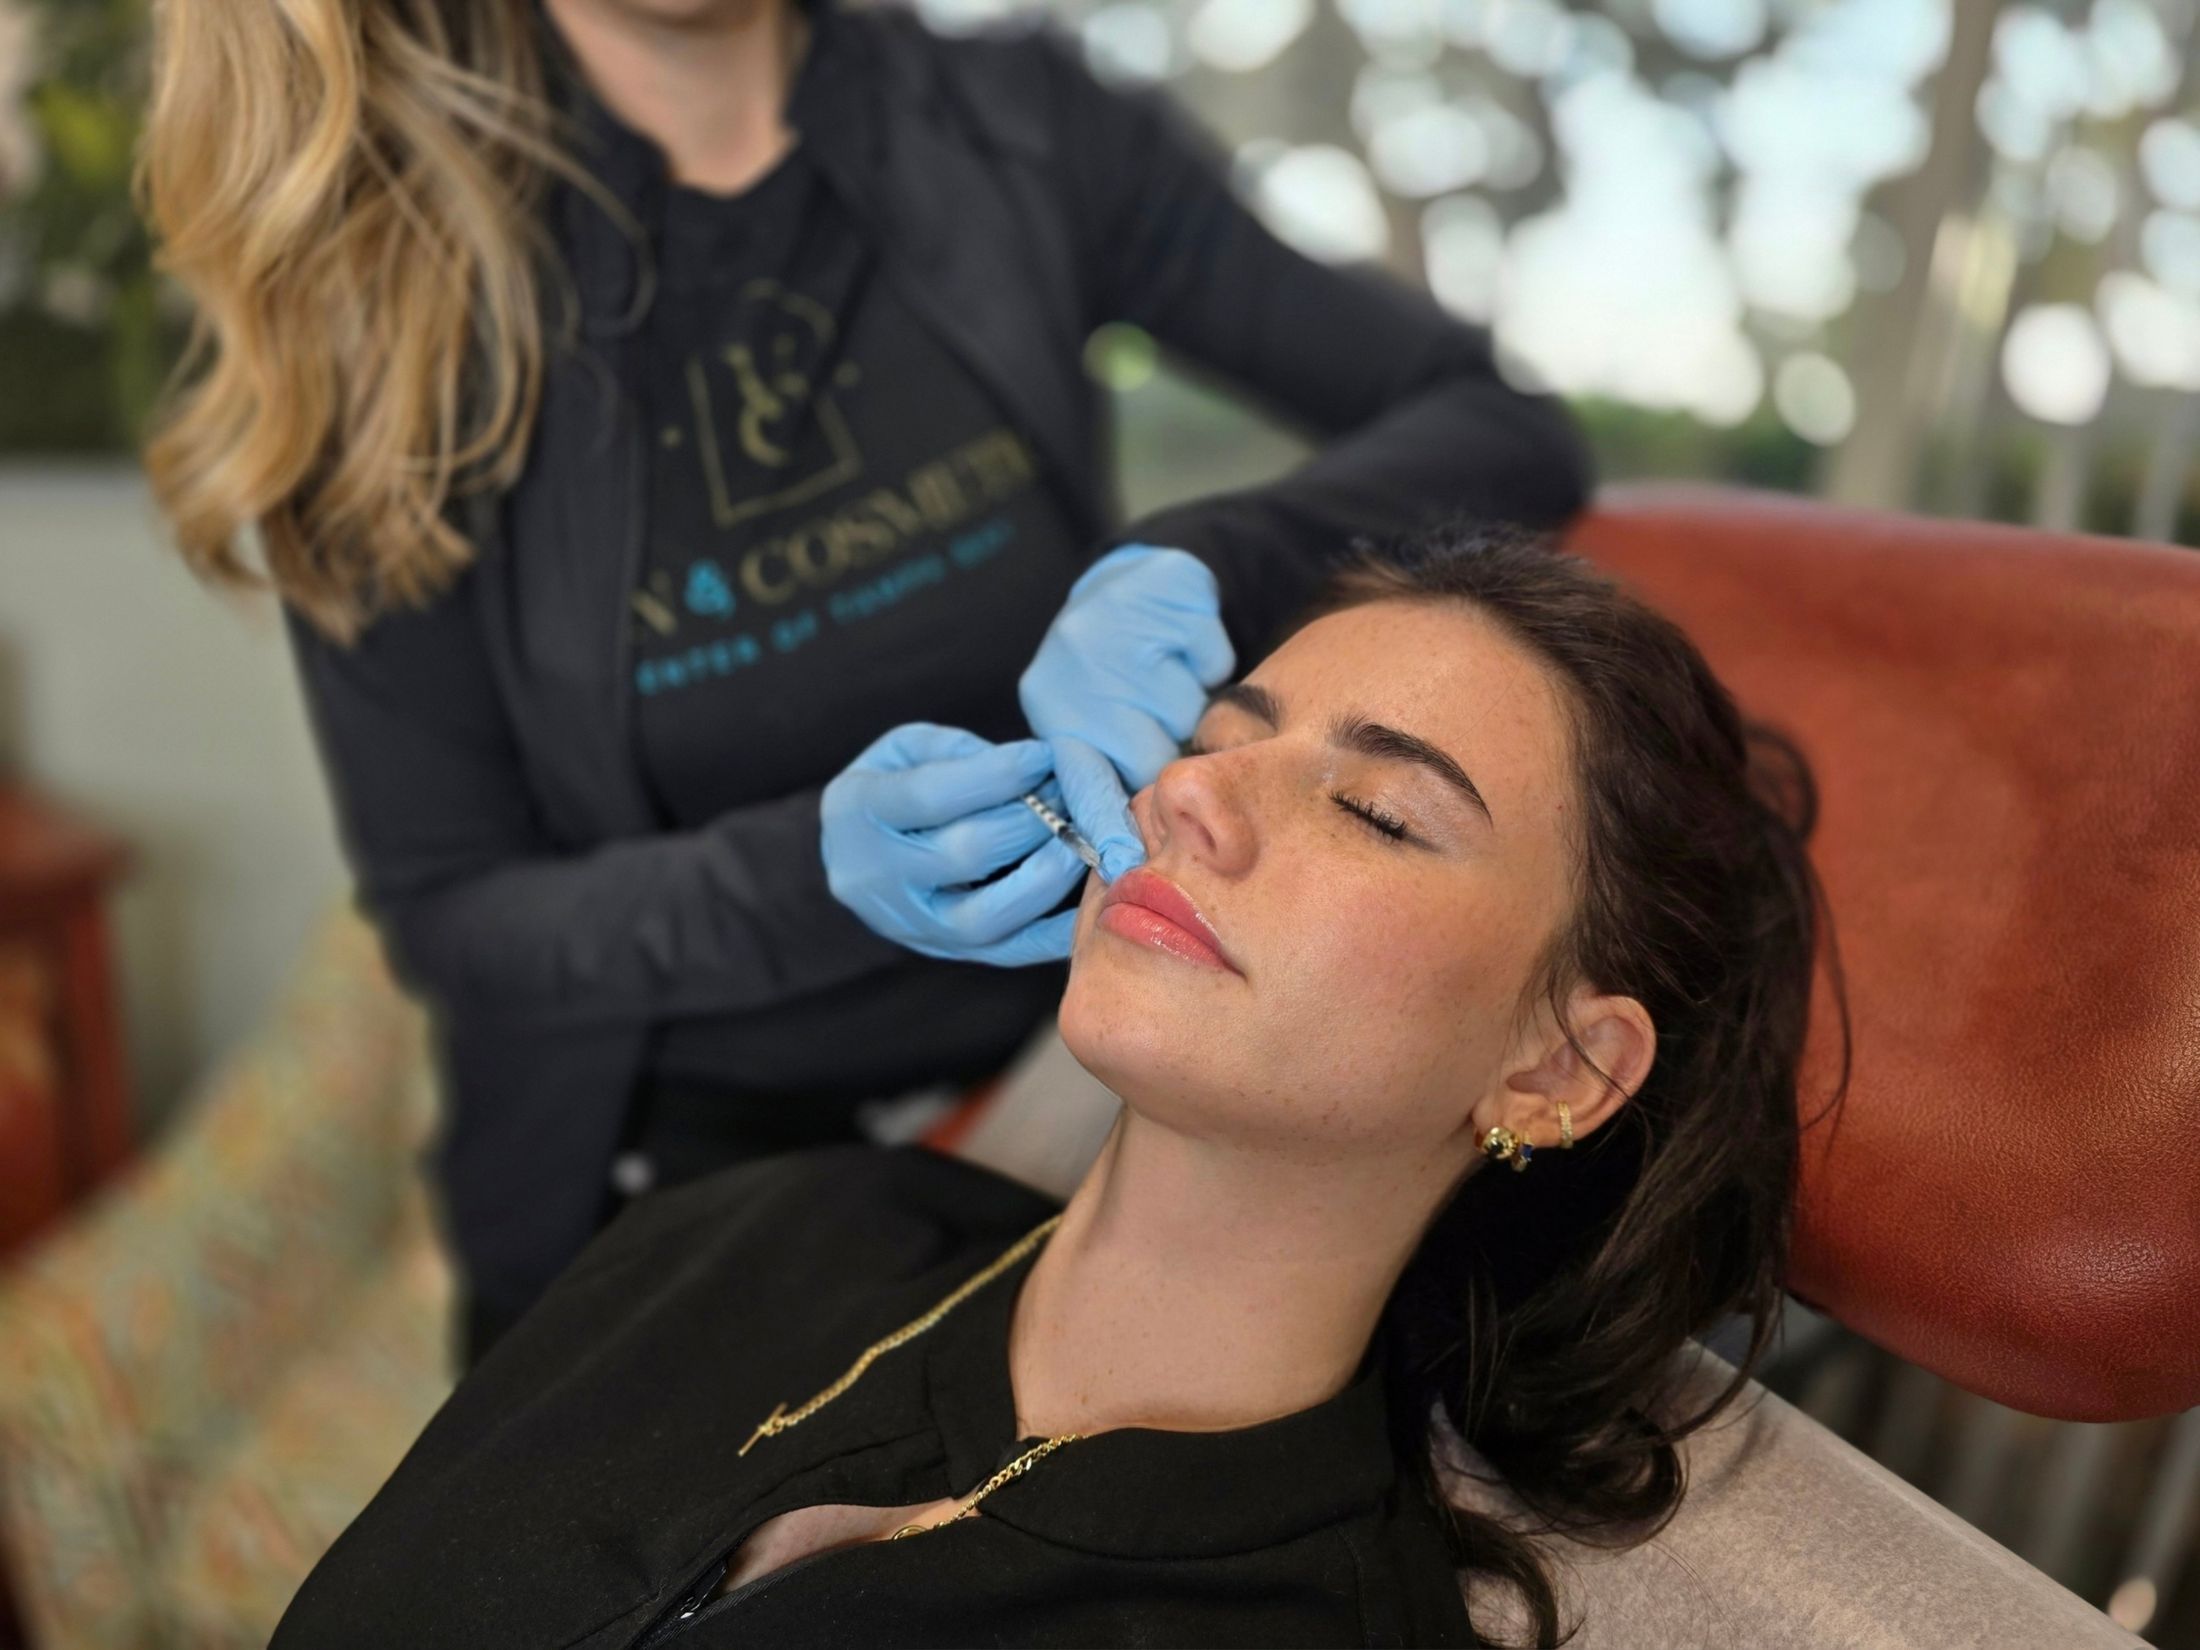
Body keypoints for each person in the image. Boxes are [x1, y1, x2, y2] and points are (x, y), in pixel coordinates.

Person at [137, 0, 1595, 1362]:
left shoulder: (1023, 132)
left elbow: (1503, 427)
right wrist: (809, 878)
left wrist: (1204, 555)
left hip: (1087, 1107)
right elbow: (457, 918)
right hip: (671, 1191)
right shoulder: (379, 299)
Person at [269, 523, 1850, 1649]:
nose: (1188, 792)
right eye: (1216, 734)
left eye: (1373, 809)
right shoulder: (768, 1219)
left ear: (1560, 1064)